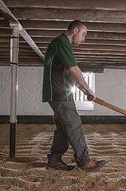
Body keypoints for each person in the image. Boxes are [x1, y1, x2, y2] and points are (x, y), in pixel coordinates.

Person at [42, 20, 107, 171]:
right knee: (74, 124)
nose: (84, 39)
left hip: (59, 93)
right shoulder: (62, 42)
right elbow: (74, 70)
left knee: (64, 128)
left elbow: (71, 76)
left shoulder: (63, 45)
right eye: (84, 34)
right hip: (59, 93)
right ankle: (84, 161)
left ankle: (54, 160)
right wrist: (89, 90)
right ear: (75, 31)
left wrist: (85, 92)